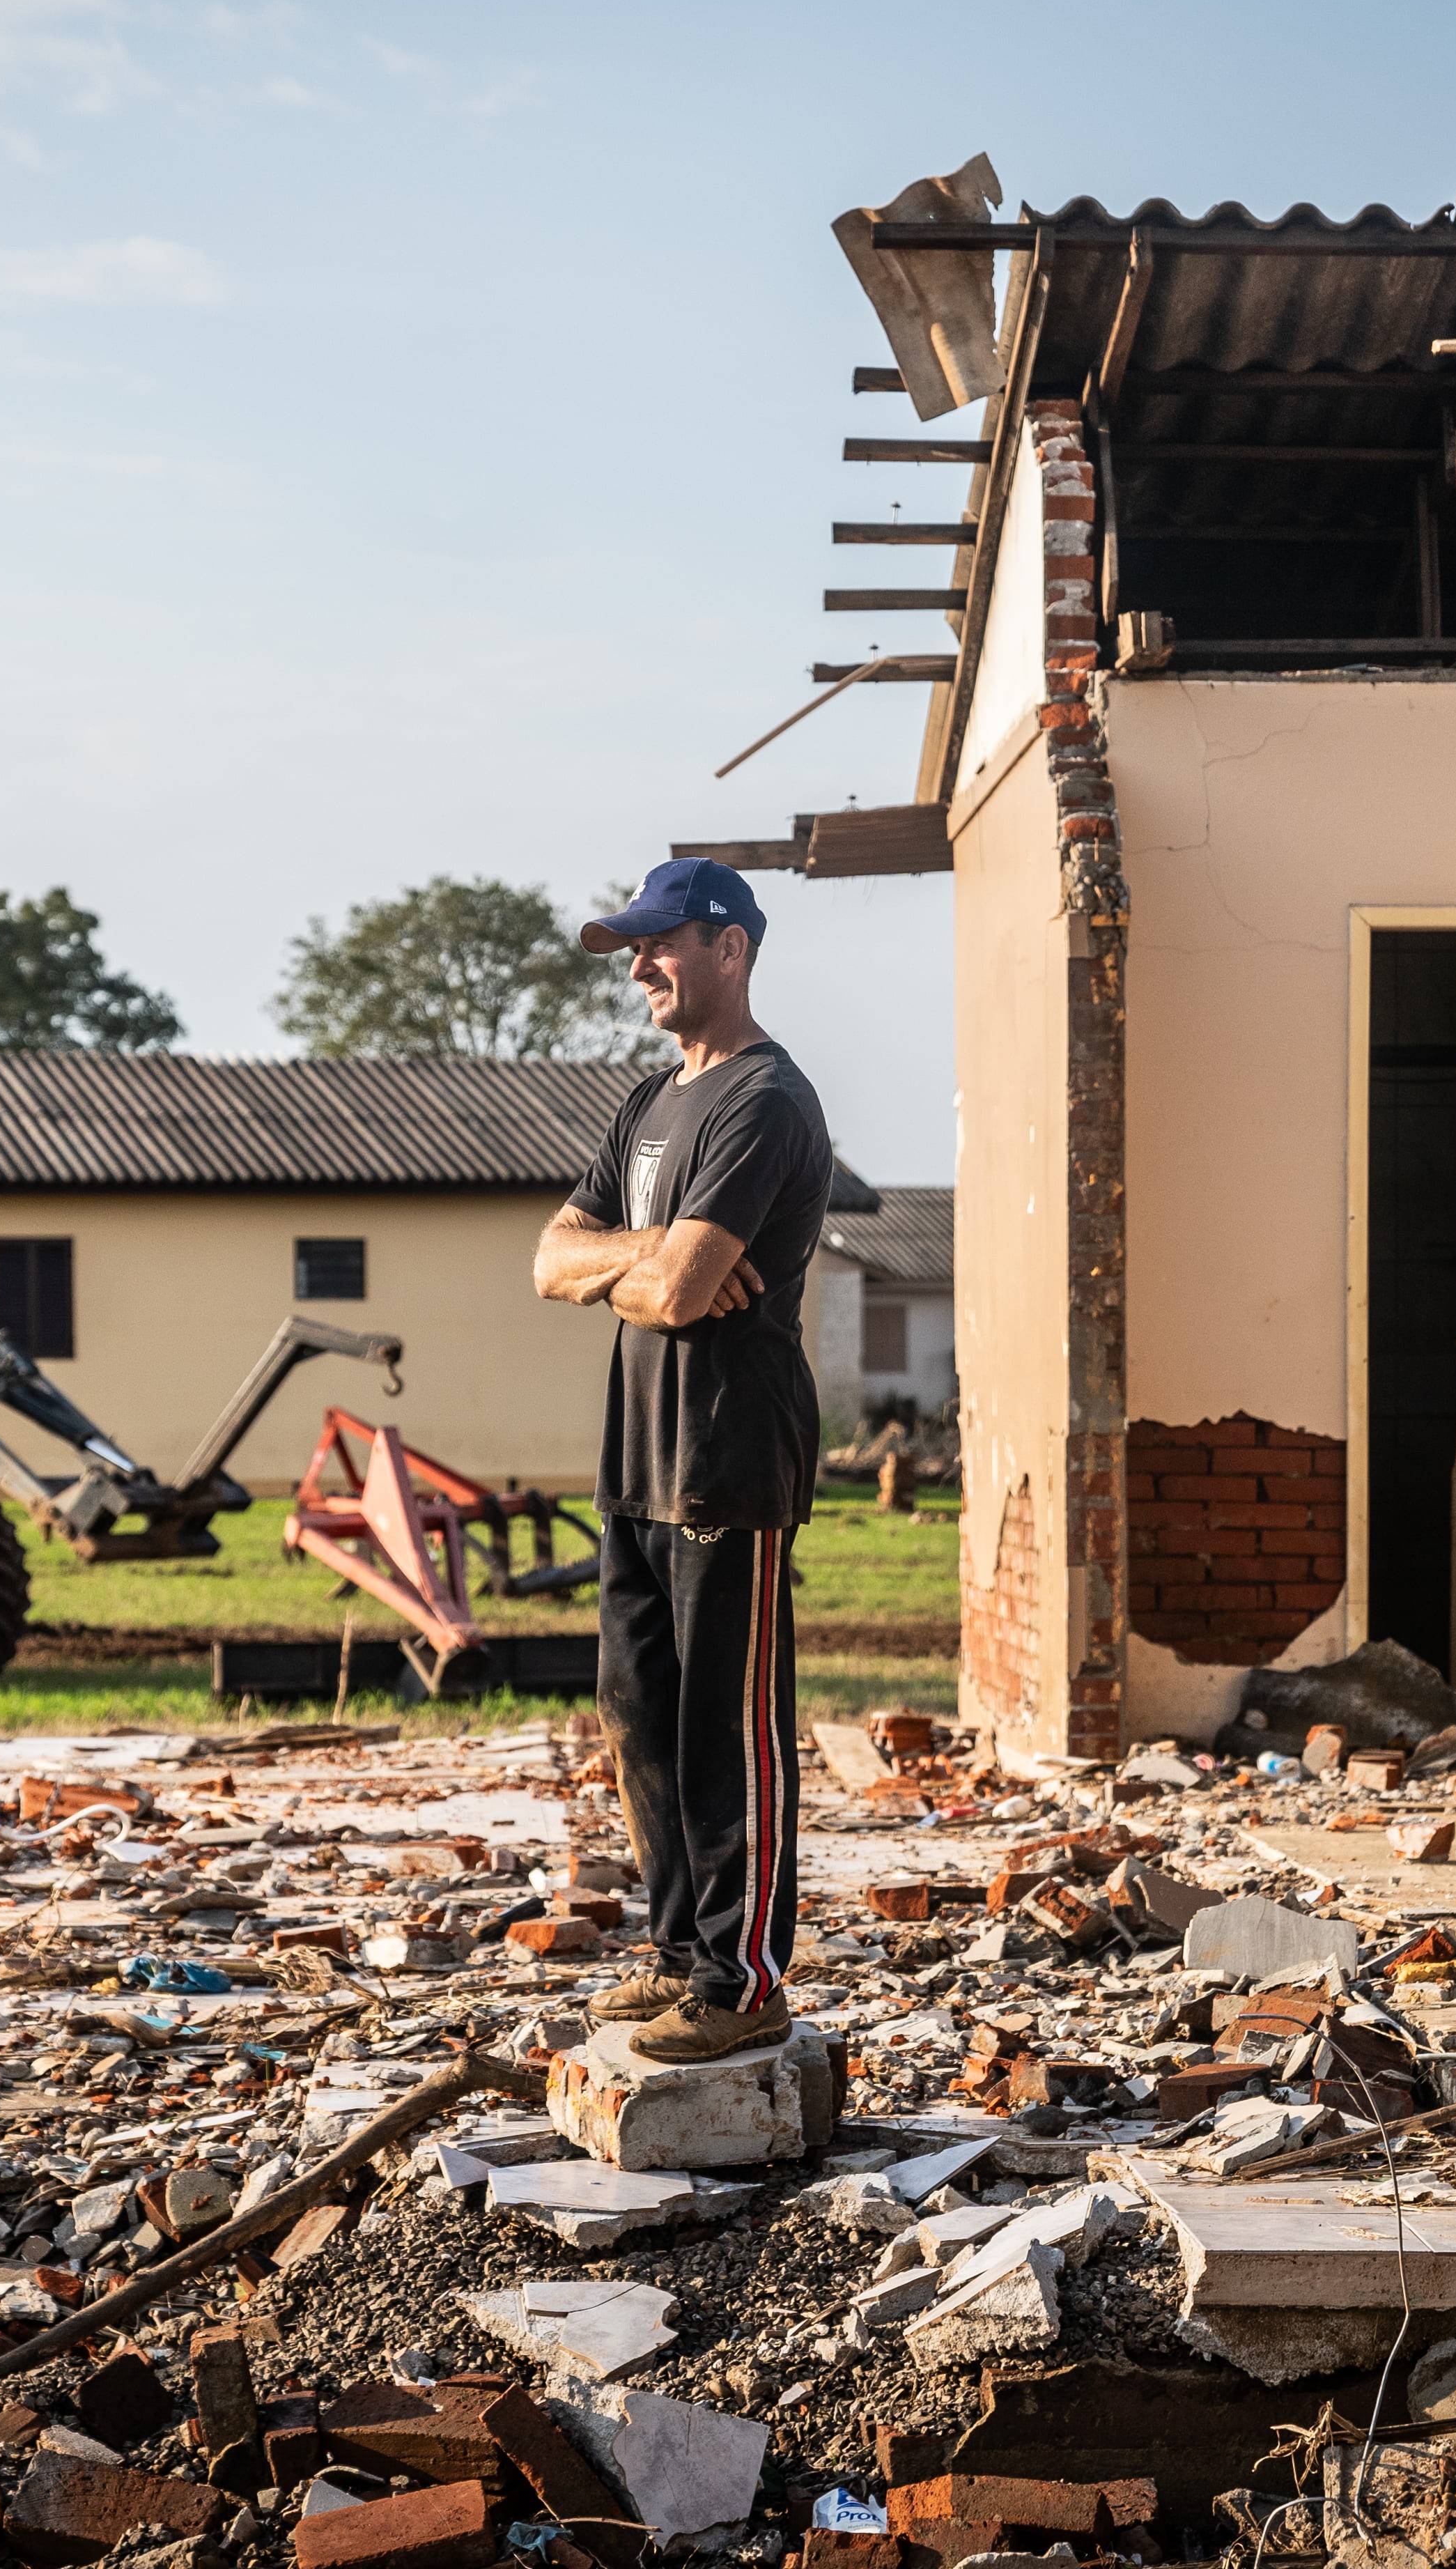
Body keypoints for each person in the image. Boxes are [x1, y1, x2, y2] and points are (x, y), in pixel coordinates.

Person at [530, 857, 834, 2062]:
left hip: (730, 1455)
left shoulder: (765, 1099)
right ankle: (678, 1960)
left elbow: (679, 1294)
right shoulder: (650, 1106)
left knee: (728, 1731)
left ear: (731, 948)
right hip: (637, 1459)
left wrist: (640, 1264)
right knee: (642, 1718)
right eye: (637, 948)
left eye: (662, 944)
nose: (644, 967)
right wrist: (646, 1251)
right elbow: (551, 1258)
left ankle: (744, 1976)